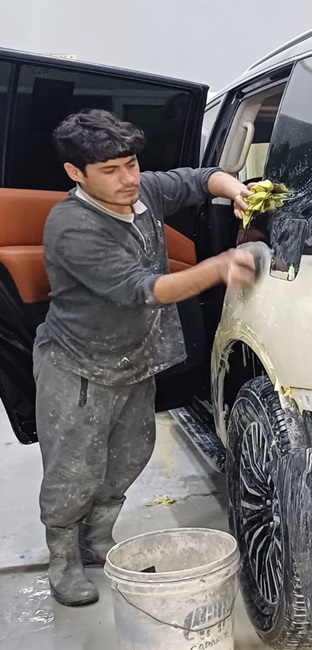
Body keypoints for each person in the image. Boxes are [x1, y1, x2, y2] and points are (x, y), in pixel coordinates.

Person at [35, 109, 257, 607]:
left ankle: (96, 540)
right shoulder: (72, 226)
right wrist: (219, 267)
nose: (127, 179)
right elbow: (145, 290)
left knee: (130, 456)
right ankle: (63, 559)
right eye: (110, 171)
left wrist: (235, 191)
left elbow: (199, 179)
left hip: (134, 361)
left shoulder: (143, 191)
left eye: (131, 164)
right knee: (74, 471)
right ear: (75, 173)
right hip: (79, 367)